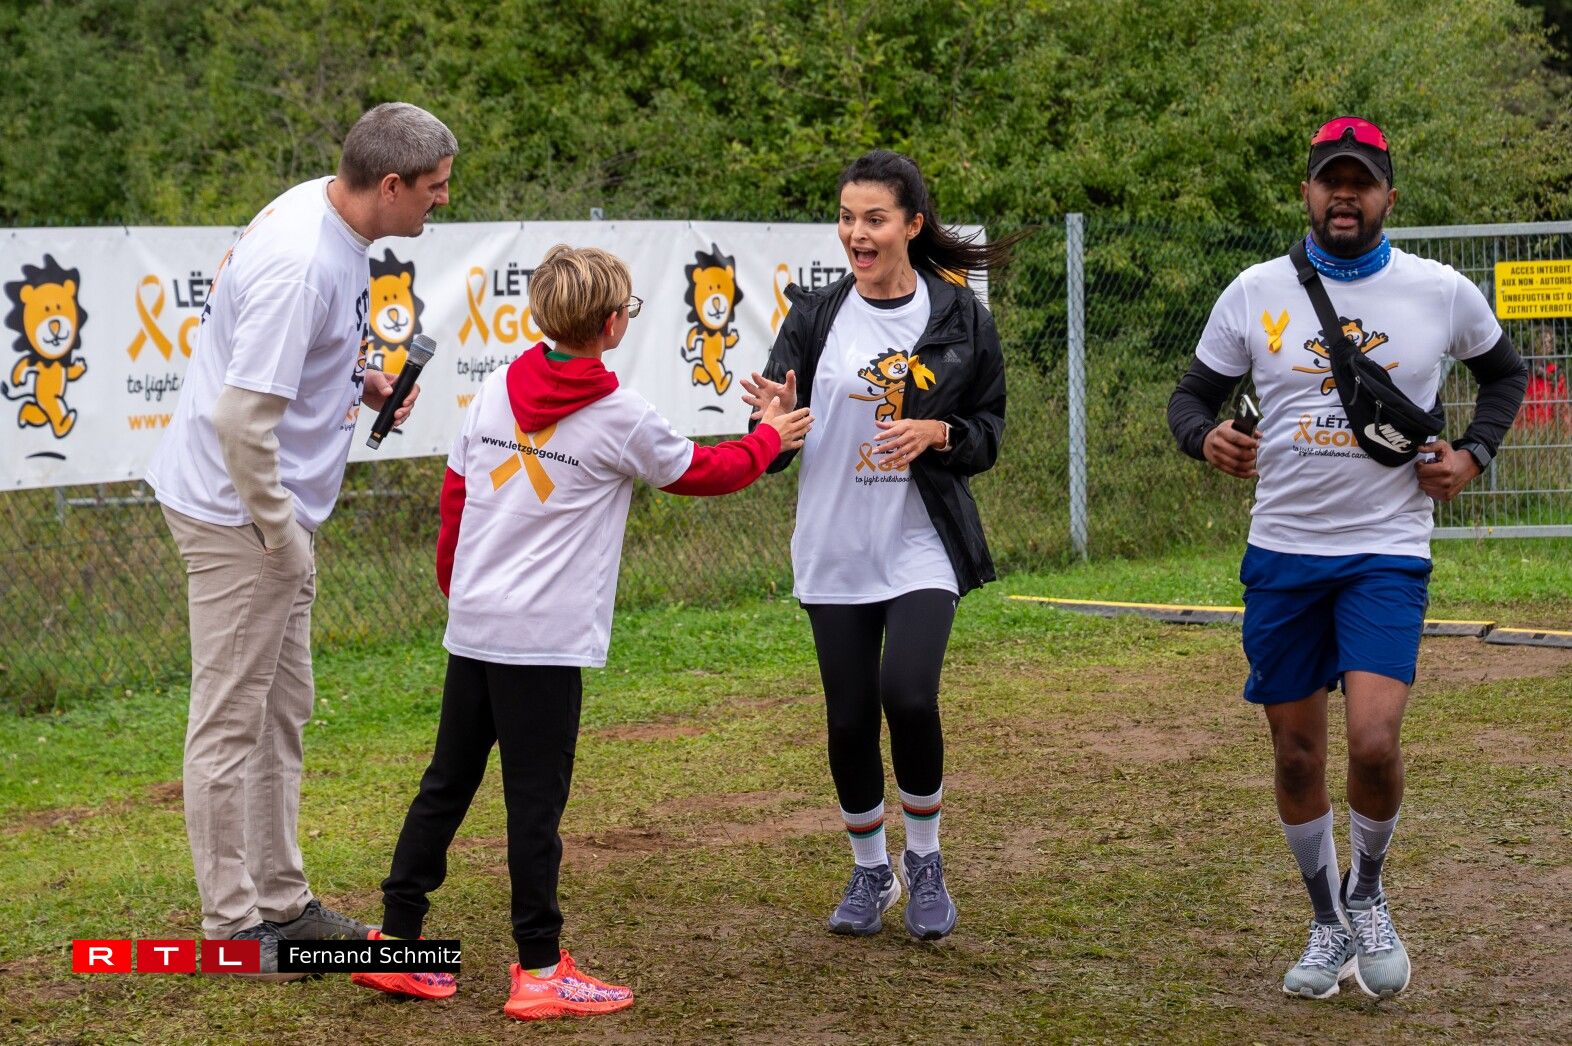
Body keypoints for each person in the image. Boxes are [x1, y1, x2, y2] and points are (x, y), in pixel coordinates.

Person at [351, 245, 811, 1021]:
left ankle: (399, 942)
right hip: (541, 642)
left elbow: (456, 496)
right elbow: (706, 473)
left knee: (446, 784)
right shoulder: (619, 414)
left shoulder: (495, 386)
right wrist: (770, 435)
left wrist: (462, 593)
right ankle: (539, 969)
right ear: (611, 324)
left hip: (478, 626)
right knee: (534, 806)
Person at [1166, 117, 1527, 1000]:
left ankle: (1368, 893)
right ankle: (1326, 921)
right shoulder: (1254, 291)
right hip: (1283, 553)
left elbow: (1506, 375)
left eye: (1361, 182)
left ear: (1388, 197)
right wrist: (1205, 437)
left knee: (1372, 739)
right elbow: (1191, 397)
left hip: (1385, 552)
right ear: (1307, 192)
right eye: (1332, 180)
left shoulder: (1440, 290)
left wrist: (1473, 454)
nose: (1345, 196)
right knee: (1296, 756)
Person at [145, 102, 457, 981]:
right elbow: (240, 419)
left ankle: (283, 902)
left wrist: (360, 380)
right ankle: (232, 927)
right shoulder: (302, 263)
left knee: (281, 711)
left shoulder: (327, 213)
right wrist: (279, 535)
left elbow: (281, 353)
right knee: (229, 721)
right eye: (434, 189)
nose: (441, 202)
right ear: (389, 184)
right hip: (240, 517)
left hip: (267, 514)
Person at [740, 150, 1021, 941]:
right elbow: (774, 438)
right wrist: (769, 426)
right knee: (849, 720)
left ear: (912, 225)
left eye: (874, 219)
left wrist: (941, 433)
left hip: (920, 541)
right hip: (834, 546)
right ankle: (871, 871)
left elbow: (989, 432)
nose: (856, 234)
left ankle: (925, 861)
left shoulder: (959, 317)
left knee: (909, 694)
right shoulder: (814, 317)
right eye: (846, 218)